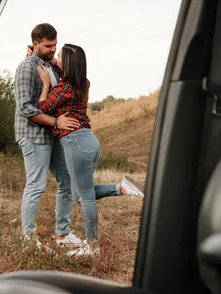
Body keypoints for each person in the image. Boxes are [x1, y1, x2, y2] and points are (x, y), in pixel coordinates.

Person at [36, 43, 144, 256]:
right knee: (79, 195)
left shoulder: (63, 88)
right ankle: (120, 188)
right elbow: (63, 73)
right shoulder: (83, 83)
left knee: (84, 197)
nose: (56, 57)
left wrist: (46, 85)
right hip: (89, 142)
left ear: (67, 62)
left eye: (59, 55)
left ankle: (92, 246)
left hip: (76, 143)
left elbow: (42, 108)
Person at [15, 23, 85, 249]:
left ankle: (63, 235)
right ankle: (29, 240)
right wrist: (56, 121)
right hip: (34, 135)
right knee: (36, 185)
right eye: (47, 46)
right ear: (35, 44)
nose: (53, 49)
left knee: (67, 180)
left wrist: (51, 60)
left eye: (55, 45)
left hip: (52, 136)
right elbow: (25, 107)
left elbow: (68, 77)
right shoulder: (27, 67)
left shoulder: (49, 66)